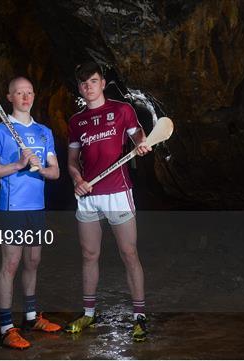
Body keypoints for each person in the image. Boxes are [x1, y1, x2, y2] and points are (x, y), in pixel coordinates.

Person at [65, 61, 151, 342]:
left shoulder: (121, 110)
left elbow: (137, 134)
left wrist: (142, 141)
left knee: (129, 253)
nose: (88, 87)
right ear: (80, 88)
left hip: (117, 192)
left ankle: (139, 316)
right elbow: (72, 161)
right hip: (88, 197)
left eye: (93, 81)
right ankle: (89, 313)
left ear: (102, 83)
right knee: (89, 255)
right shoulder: (76, 122)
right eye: (83, 83)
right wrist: (77, 180)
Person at [0, 76, 61, 350]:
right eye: (19, 93)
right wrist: (17, 164)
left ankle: (30, 317)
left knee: (33, 261)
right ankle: (6, 327)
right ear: (9, 97)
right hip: (11, 207)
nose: (25, 97)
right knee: (11, 264)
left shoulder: (44, 132)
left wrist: (40, 169)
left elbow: (56, 172)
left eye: (29, 92)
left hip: (36, 208)